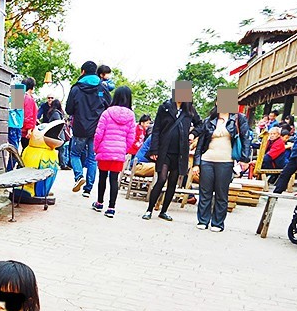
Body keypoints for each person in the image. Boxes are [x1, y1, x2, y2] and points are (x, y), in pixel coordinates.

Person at [143, 85, 201, 221]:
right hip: (165, 150)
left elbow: (200, 125)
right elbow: (156, 129)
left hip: (180, 152)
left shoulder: (190, 110)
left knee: (173, 182)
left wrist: (193, 134)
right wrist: (154, 150)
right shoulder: (165, 107)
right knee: (161, 179)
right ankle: (149, 209)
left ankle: (163, 211)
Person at [194, 98, 251, 231]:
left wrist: (245, 159)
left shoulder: (238, 119)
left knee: (221, 193)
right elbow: (200, 144)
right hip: (207, 159)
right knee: (205, 192)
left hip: (226, 161)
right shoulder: (209, 120)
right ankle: (203, 220)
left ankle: (217, 223)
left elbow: (246, 138)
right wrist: (197, 163)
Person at [66, 61, 112, 196]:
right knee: (92, 158)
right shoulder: (102, 89)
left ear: (83, 72)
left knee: (75, 154)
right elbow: (109, 106)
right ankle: (88, 189)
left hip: (80, 128)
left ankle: (79, 176)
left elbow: (69, 109)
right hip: (97, 129)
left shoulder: (76, 89)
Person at [92, 86, 136, 217]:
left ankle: (99, 203)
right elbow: (131, 137)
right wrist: (124, 150)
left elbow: (99, 133)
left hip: (105, 150)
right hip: (119, 152)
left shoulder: (107, 113)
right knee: (114, 179)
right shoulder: (131, 116)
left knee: (102, 177)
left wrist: (96, 147)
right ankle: (111, 208)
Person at [21, 76, 37, 149]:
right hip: (25, 132)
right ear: (32, 87)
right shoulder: (29, 98)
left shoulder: (19, 96)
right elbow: (28, 115)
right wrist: (29, 130)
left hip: (17, 127)